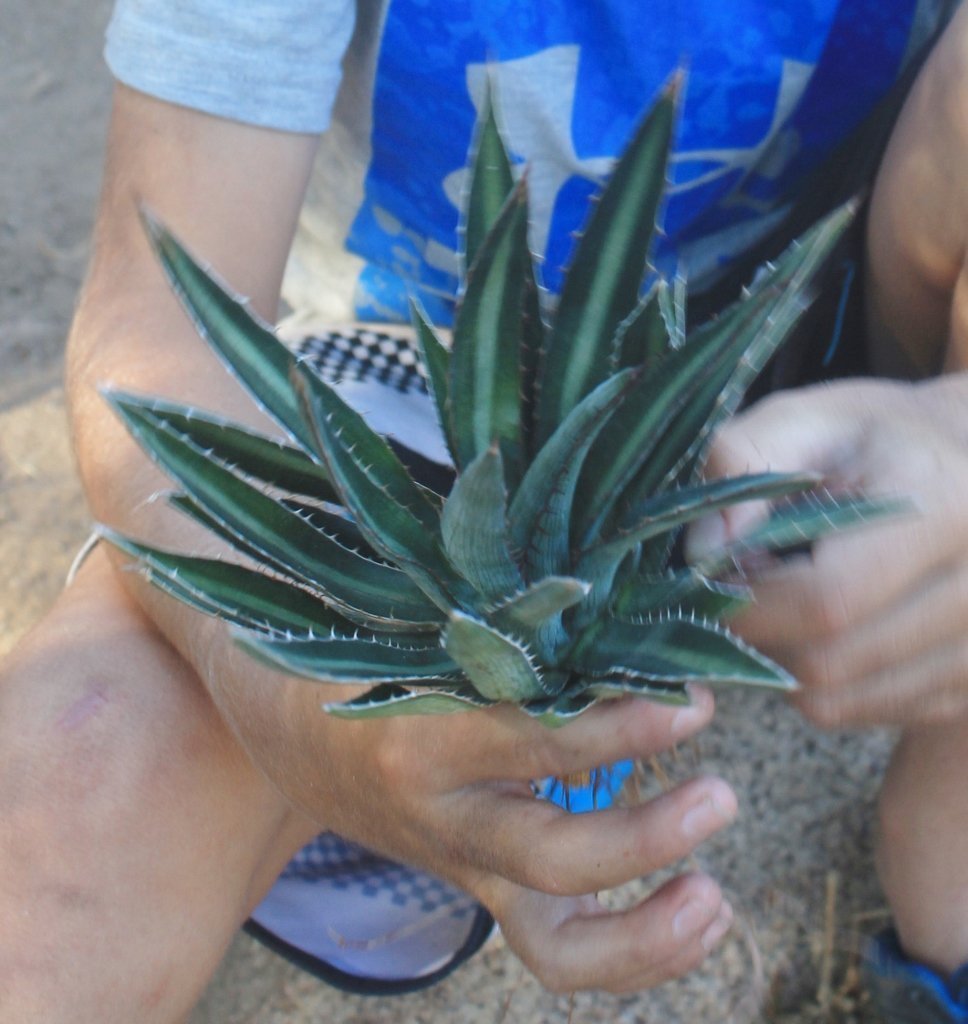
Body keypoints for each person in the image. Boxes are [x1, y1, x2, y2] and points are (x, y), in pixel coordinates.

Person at [1, 1, 967, 1021]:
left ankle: (944, 792)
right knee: (77, 773)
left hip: (841, 351)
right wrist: (282, 700)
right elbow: (158, 334)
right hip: (412, 389)